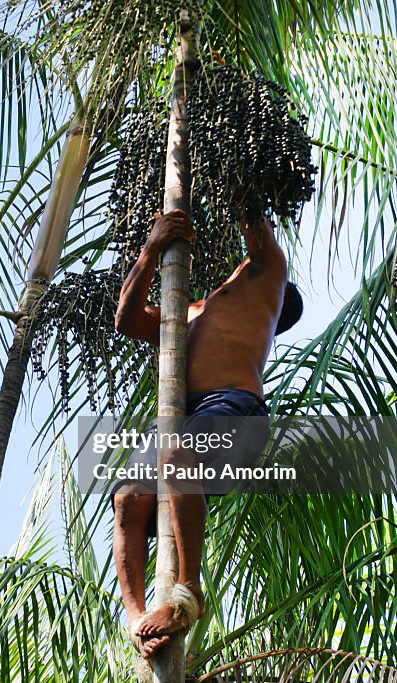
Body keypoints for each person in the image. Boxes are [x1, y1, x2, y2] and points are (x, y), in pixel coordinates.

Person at [112, 208, 302, 662]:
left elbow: (253, 215)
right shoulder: (189, 311)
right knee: (128, 499)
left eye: (242, 268)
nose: (235, 270)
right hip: (180, 417)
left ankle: (188, 594)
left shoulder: (268, 280)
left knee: (178, 458)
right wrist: (152, 248)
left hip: (234, 407)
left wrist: (227, 167)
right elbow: (126, 319)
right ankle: (138, 620)